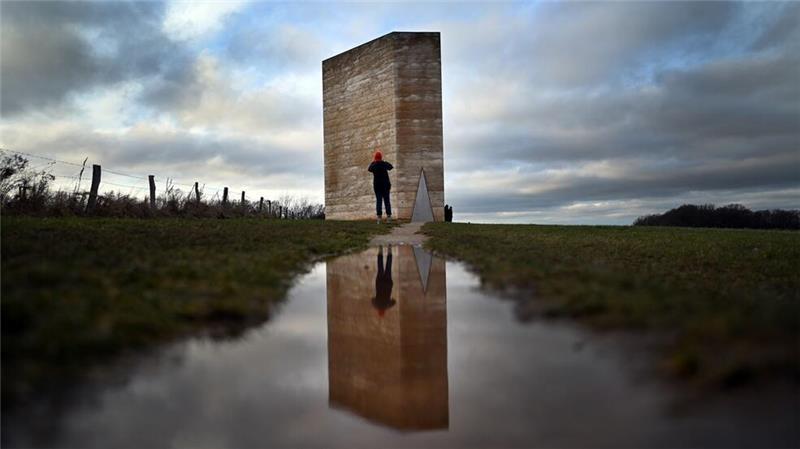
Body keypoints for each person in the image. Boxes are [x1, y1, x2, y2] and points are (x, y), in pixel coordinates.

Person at [368, 150, 393, 224]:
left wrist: (374, 161)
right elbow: (390, 167)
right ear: (381, 157)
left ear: (375, 158)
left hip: (377, 186)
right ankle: (389, 217)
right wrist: (383, 161)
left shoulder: (374, 165)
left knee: (379, 201)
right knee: (387, 201)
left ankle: (379, 218)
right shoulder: (384, 164)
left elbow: (369, 169)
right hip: (385, 185)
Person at [372, 245, 396, 317]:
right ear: (378, 311)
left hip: (388, 284)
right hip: (379, 283)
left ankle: (389, 250)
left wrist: (389, 299)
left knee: (388, 267)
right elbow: (372, 299)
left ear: (384, 312)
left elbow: (394, 301)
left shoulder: (387, 306)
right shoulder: (376, 305)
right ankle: (380, 250)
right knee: (380, 267)